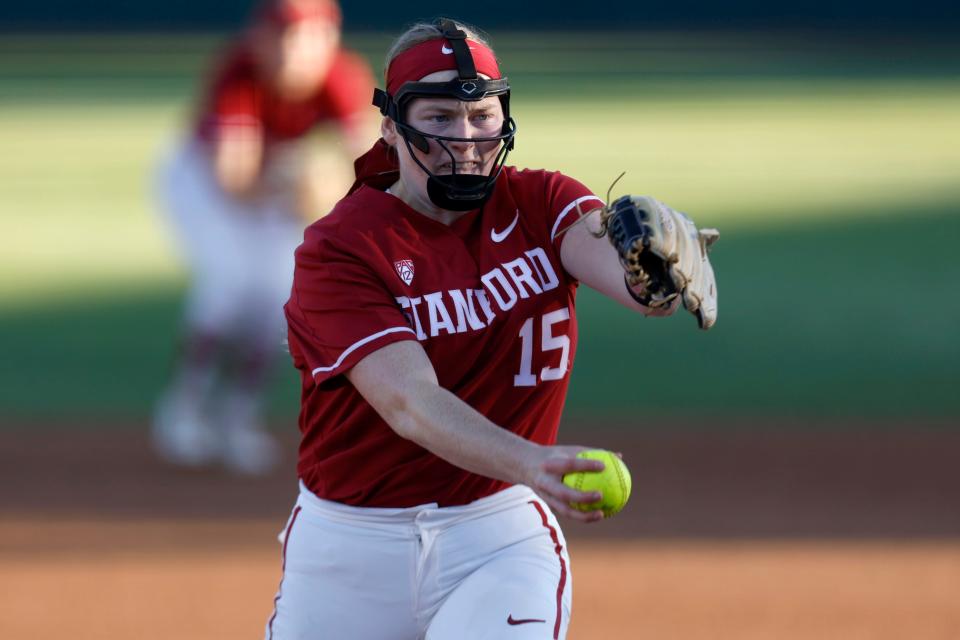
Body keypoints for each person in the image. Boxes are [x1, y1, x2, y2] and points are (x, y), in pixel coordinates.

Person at [267, 18, 718, 639]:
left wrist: (656, 276)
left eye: (481, 115)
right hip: (347, 553)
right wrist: (530, 462)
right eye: (441, 118)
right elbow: (408, 402)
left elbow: (626, 279)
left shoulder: (543, 202)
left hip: (496, 537)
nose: (468, 137)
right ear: (392, 128)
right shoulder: (341, 249)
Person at [151, 0, 375, 474]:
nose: (294, 47)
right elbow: (234, 181)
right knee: (230, 283)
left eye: (307, 35)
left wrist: (330, 190)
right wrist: (300, 186)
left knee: (279, 295)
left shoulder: (340, 76)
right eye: (282, 34)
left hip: (273, 180)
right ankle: (184, 408)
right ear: (259, 35)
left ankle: (237, 418)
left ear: (329, 37)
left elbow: (371, 171)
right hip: (200, 179)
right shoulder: (238, 72)